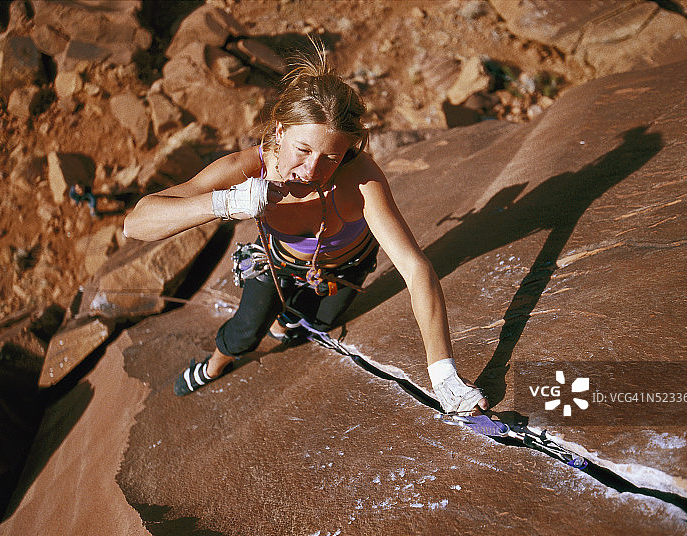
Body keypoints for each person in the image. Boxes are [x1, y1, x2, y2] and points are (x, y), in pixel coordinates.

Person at [123, 43, 488, 416]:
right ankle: (214, 364)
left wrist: (443, 373)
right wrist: (225, 203)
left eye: (330, 157)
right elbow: (136, 223)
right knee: (246, 331)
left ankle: (285, 324)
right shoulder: (246, 167)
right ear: (279, 131)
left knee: (315, 323)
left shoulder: (360, 179)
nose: (311, 171)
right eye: (302, 149)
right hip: (278, 264)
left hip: (345, 271)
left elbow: (415, 268)